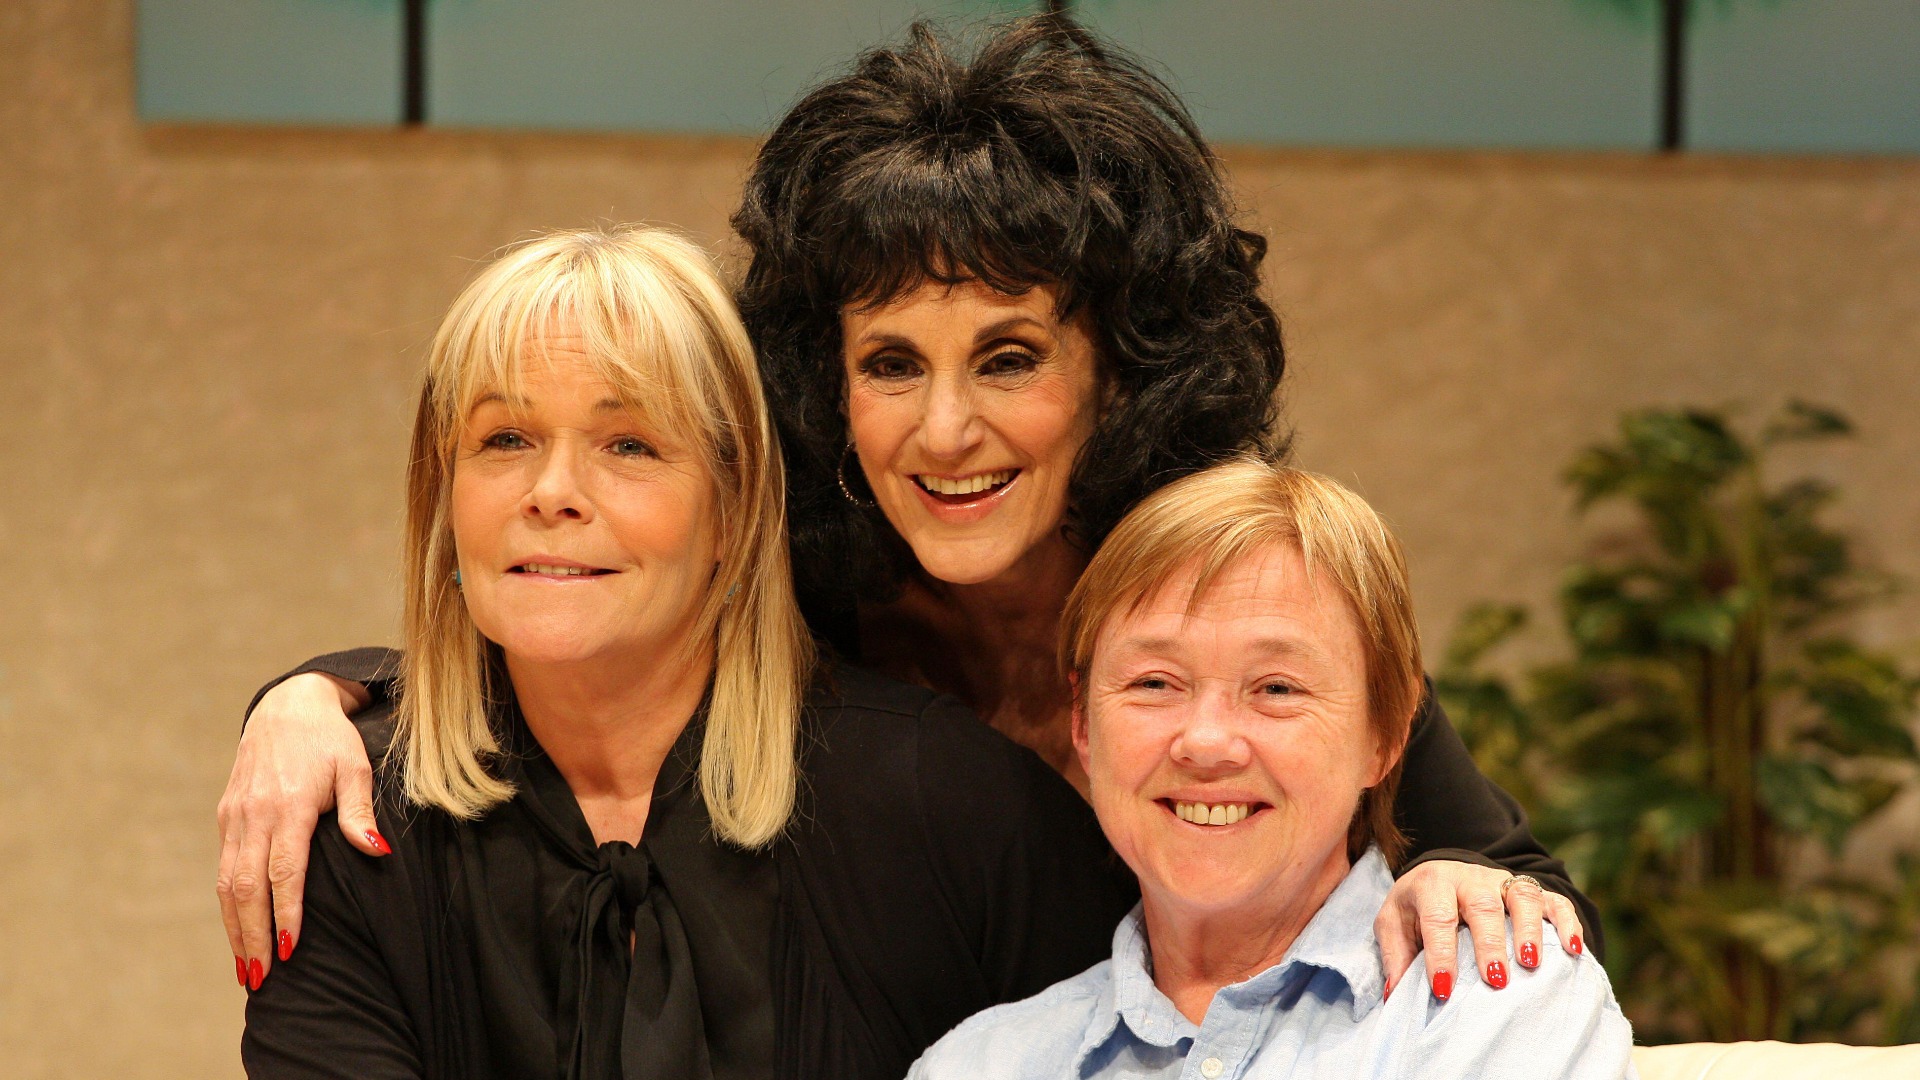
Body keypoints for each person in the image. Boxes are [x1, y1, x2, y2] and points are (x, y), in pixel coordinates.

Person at [218, 17, 1593, 1003]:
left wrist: (1464, 887)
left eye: (1009, 357)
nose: (945, 431)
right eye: (891, 364)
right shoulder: (811, 604)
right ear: (825, 380)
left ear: (1118, 369)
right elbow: (570, 623)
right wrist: (314, 693)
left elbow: (1503, 876)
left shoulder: (1222, 598)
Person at [239, 225, 1135, 1079]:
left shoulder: (955, 805)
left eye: (629, 444)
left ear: (734, 511)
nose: (552, 493)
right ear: (446, 495)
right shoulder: (351, 820)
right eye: (505, 439)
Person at [909, 458, 1636, 1079]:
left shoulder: (1497, 998)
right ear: (1083, 725)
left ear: (1385, 736)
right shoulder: (979, 1064)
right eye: (1155, 683)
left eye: (1277, 689)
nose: (1206, 741)